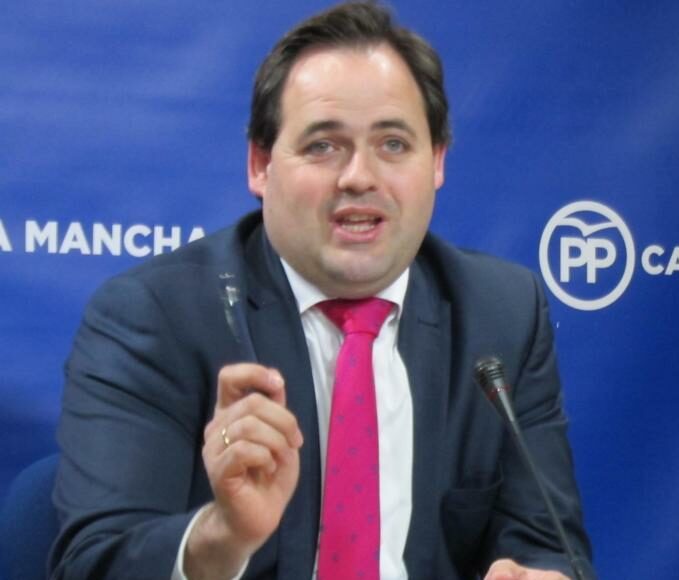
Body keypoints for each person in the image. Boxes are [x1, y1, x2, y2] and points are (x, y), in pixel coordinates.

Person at [49, 2, 594, 579]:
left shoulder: (501, 315)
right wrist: (220, 538)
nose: (359, 176)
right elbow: (93, 565)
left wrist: (541, 574)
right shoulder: (155, 317)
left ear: (436, 161)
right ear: (260, 165)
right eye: (323, 146)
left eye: (393, 144)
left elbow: (546, 542)